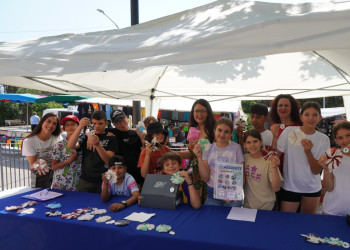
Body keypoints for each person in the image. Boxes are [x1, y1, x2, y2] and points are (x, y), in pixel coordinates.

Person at [277, 102, 330, 214]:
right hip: (289, 186)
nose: (311, 118)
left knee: (308, 224)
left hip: (312, 188)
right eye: (307, 114)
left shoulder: (323, 139)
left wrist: (308, 152)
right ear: (301, 117)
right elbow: (277, 154)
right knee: (286, 222)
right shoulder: (289, 131)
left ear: (320, 117)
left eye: (315, 115)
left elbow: (316, 171)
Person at [194, 117, 244, 207]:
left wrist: (233, 192)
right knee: (210, 220)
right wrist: (199, 157)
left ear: (231, 133)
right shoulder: (208, 148)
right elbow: (205, 178)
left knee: (231, 220)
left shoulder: (236, 148)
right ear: (214, 131)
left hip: (232, 195)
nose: (222, 134)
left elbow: (241, 176)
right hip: (213, 194)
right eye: (219, 130)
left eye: (226, 131)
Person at [68, 111, 118, 193]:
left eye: (100, 123)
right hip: (85, 179)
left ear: (106, 123)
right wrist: (80, 127)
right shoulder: (86, 136)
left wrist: (98, 145)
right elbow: (71, 145)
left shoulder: (111, 137)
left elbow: (109, 161)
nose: (97, 126)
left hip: (104, 179)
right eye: (94, 123)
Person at [180, 99, 216, 204]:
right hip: (195, 174)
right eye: (196, 111)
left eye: (202, 111)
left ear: (208, 112)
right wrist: (176, 153)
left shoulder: (214, 131)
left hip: (209, 173)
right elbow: (191, 155)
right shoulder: (192, 130)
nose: (199, 114)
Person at [243, 129, 282, 210]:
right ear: (245, 145)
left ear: (261, 142)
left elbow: (276, 188)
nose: (252, 145)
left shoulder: (269, 160)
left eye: (255, 141)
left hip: (267, 207)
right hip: (248, 207)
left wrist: (274, 167)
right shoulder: (244, 159)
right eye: (248, 142)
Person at [318, 121, 350, 216]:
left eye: (348, 135)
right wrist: (326, 169)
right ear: (336, 140)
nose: (345, 140)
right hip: (332, 210)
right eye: (340, 138)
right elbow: (329, 188)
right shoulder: (332, 156)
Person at [104, 110, 143, 186]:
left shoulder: (136, 134)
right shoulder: (112, 132)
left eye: (122, 119)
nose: (121, 123)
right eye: (118, 122)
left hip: (137, 175)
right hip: (121, 176)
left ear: (126, 118)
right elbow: (92, 130)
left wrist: (142, 139)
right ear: (114, 124)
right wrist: (89, 136)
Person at [22, 112, 61, 188]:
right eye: (48, 121)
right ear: (42, 121)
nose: (51, 125)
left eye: (54, 124)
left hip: (57, 174)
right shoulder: (29, 141)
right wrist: (37, 165)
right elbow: (33, 164)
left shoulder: (57, 137)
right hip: (40, 175)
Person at [51, 115, 82, 191]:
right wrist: (69, 161)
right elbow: (54, 166)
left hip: (78, 183)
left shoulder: (83, 143)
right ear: (63, 128)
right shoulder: (59, 145)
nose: (70, 127)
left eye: (73, 124)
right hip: (60, 184)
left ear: (78, 127)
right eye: (67, 125)